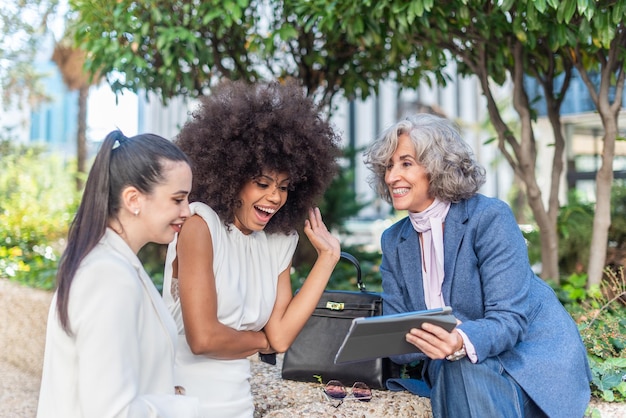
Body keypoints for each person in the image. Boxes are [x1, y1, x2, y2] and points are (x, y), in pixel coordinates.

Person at [363, 113, 592, 418]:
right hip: (456, 374)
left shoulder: (489, 217)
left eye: (406, 163)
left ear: (436, 166)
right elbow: (401, 345)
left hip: (525, 368)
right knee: (456, 369)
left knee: (460, 367)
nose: (392, 177)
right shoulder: (394, 240)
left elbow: (509, 320)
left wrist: (458, 341)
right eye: (388, 166)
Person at [162, 80, 342, 417]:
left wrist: (327, 259)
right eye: (262, 183)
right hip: (183, 401)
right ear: (231, 176)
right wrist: (262, 342)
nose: (275, 197)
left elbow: (283, 337)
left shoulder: (275, 244)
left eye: (284, 187)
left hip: (238, 404)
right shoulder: (200, 226)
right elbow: (203, 339)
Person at [37, 131, 200, 417]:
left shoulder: (113, 264)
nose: (187, 211)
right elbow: (110, 411)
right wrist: (181, 406)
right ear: (133, 199)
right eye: (178, 199)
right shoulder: (108, 276)